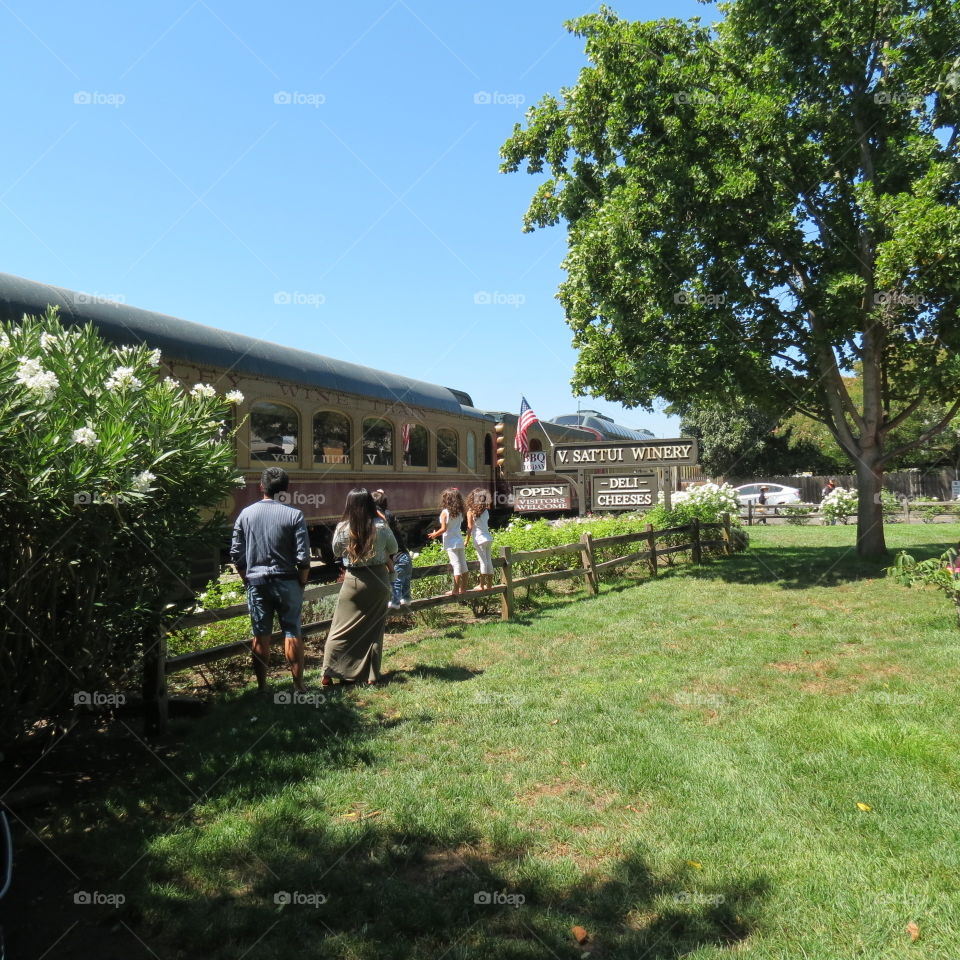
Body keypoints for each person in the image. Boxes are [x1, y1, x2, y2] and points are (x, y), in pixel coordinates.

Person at [230, 467, 311, 694]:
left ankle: (262, 686)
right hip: (287, 581)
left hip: (257, 583)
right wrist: (302, 582)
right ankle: (298, 685)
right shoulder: (295, 515)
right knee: (292, 631)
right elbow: (303, 558)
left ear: (261, 487)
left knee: (260, 634)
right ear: (286, 488)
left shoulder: (245, 514)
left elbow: (236, 555)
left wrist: (247, 578)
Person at [322, 488, 397, 687]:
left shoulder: (342, 527)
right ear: (370, 504)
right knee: (374, 628)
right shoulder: (381, 525)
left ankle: (328, 673)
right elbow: (394, 549)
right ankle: (371, 676)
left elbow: (336, 551)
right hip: (378, 580)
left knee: (339, 628)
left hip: (353, 581)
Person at [372, 490, 413, 609]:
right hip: (404, 554)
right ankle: (407, 599)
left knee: (396, 581)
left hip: (397, 556)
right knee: (406, 580)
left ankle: (396, 602)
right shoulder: (389, 514)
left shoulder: (381, 518)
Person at [427, 487, 468, 595]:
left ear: (447, 500)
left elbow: (444, 529)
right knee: (463, 564)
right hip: (459, 539)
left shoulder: (445, 512)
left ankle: (455, 590)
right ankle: (463, 588)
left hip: (450, 541)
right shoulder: (459, 511)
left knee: (456, 565)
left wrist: (435, 534)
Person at [465, 487, 494, 590]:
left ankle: (481, 585)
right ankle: (489, 585)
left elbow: (469, 527)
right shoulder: (486, 511)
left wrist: (466, 541)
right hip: (488, 538)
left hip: (479, 539)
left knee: (483, 562)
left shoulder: (471, 512)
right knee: (488, 561)